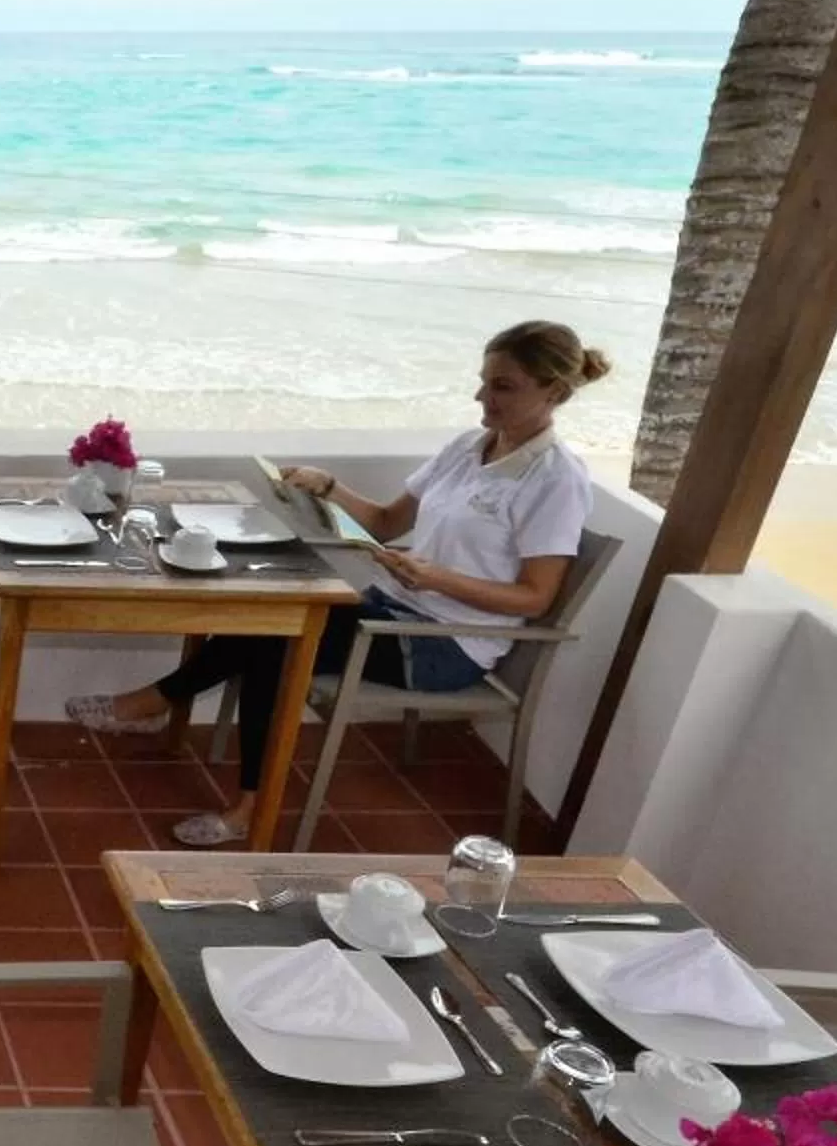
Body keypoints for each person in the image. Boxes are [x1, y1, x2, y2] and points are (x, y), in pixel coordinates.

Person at [66, 320, 609, 846]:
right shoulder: (470, 448)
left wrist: (436, 577)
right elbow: (388, 523)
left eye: (502, 386)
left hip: (447, 644)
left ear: (554, 391)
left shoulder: (556, 479)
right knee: (269, 622)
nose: (481, 396)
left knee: (274, 643)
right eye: (484, 380)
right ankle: (166, 716)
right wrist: (329, 488)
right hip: (390, 607)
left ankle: (230, 787)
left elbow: (536, 597)